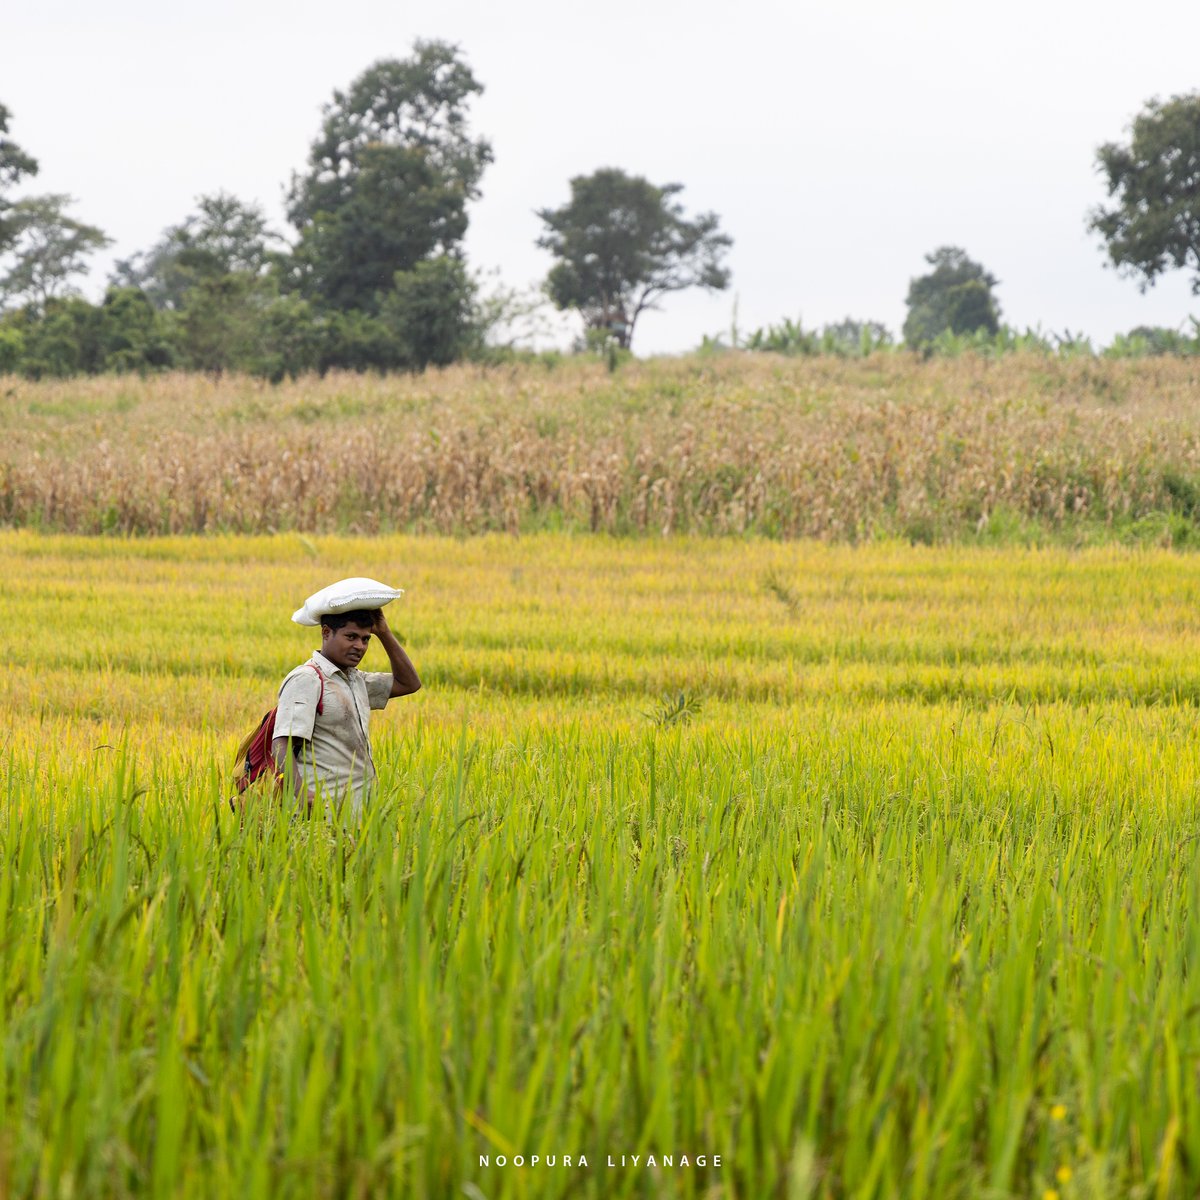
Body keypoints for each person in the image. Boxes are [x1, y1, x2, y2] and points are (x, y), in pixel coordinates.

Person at [271, 608, 421, 820]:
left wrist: (384, 633)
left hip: (358, 815)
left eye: (365, 639)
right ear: (325, 633)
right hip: (319, 816)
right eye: (351, 637)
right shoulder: (307, 679)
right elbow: (280, 742)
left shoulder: (356, 681)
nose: (359, 646)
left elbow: (409, 683)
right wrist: (299, 791)